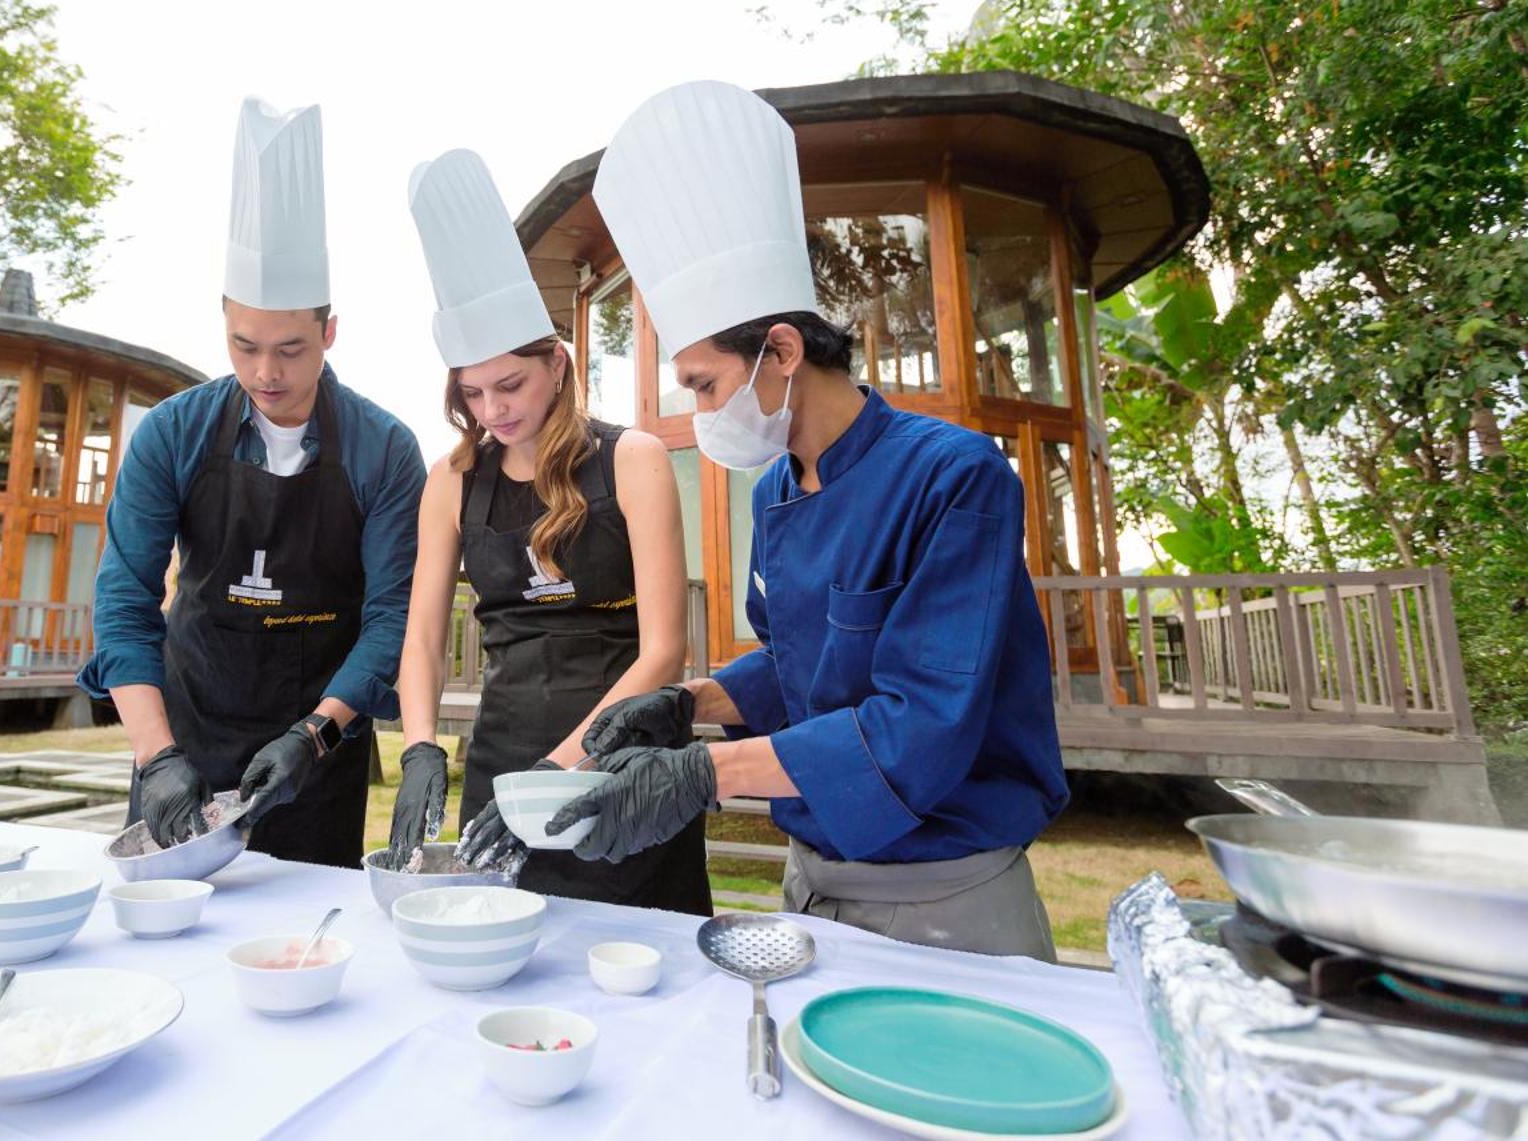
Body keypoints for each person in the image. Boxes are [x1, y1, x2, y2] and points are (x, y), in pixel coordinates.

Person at [547, 81, 1069, 958]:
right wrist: (688, 704)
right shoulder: (777, 492)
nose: (705, 412)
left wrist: (700, 771)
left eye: (707, 385)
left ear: (783, 351)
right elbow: (801, 668)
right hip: (811, 879)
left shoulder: (954, 477)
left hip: (947, 895)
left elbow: (918, 725)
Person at [77, 97, 425, 868]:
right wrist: (156, 755)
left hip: (316, 746)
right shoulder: (172, 433)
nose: (267, 372)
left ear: (331, 332)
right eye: (245, 344)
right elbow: (125, 598)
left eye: (293, 348)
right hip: (186, 725)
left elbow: (391, 617)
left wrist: (318, 732)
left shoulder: (385, 450)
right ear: (224, 320)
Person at [384, 149, 710, 914]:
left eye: (510, 384)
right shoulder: (453, 480)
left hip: (623, 760)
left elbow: (665, 649)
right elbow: (423, 638)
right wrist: (421, 744)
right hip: (505, 755)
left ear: (557, 363)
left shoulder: (633, 458)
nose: (493, 409)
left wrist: (561, 770)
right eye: (473, 392)